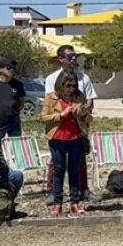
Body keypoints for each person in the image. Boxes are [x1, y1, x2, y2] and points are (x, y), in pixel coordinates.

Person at [43, 46, 99, 201]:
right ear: (60, 59)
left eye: (76, 56)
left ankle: (83, 191)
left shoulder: (84, 78)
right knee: (57, 162)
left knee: (79, 160)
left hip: (78, 126)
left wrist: (83, 110)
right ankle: (53, 193)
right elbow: (50, 103)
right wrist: (63, 112)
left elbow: (90, 102)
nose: (74, 59)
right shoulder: (51, 79)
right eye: (70, 56)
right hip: (58, 127)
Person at [41, 72, 94, 215]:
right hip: (57, 138)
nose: (71, 89)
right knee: (58, 169)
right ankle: (57, 203)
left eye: (74, 85)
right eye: (68, 85)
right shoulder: (51, 98)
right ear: (61, 84)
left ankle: (74, 202)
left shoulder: (79, 97)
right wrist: (61, 115)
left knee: (74, 170)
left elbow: (89, 120)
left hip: (75, 137)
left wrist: (83, 114)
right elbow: (43, 118)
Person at [0, 59, 26, 141]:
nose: (12, 69)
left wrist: (15, 112)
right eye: (9, 67)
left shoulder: (18, 84)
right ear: (0, 69)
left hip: (14, 122)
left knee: (16, 146)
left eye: (13, 67)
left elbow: (22, 101)